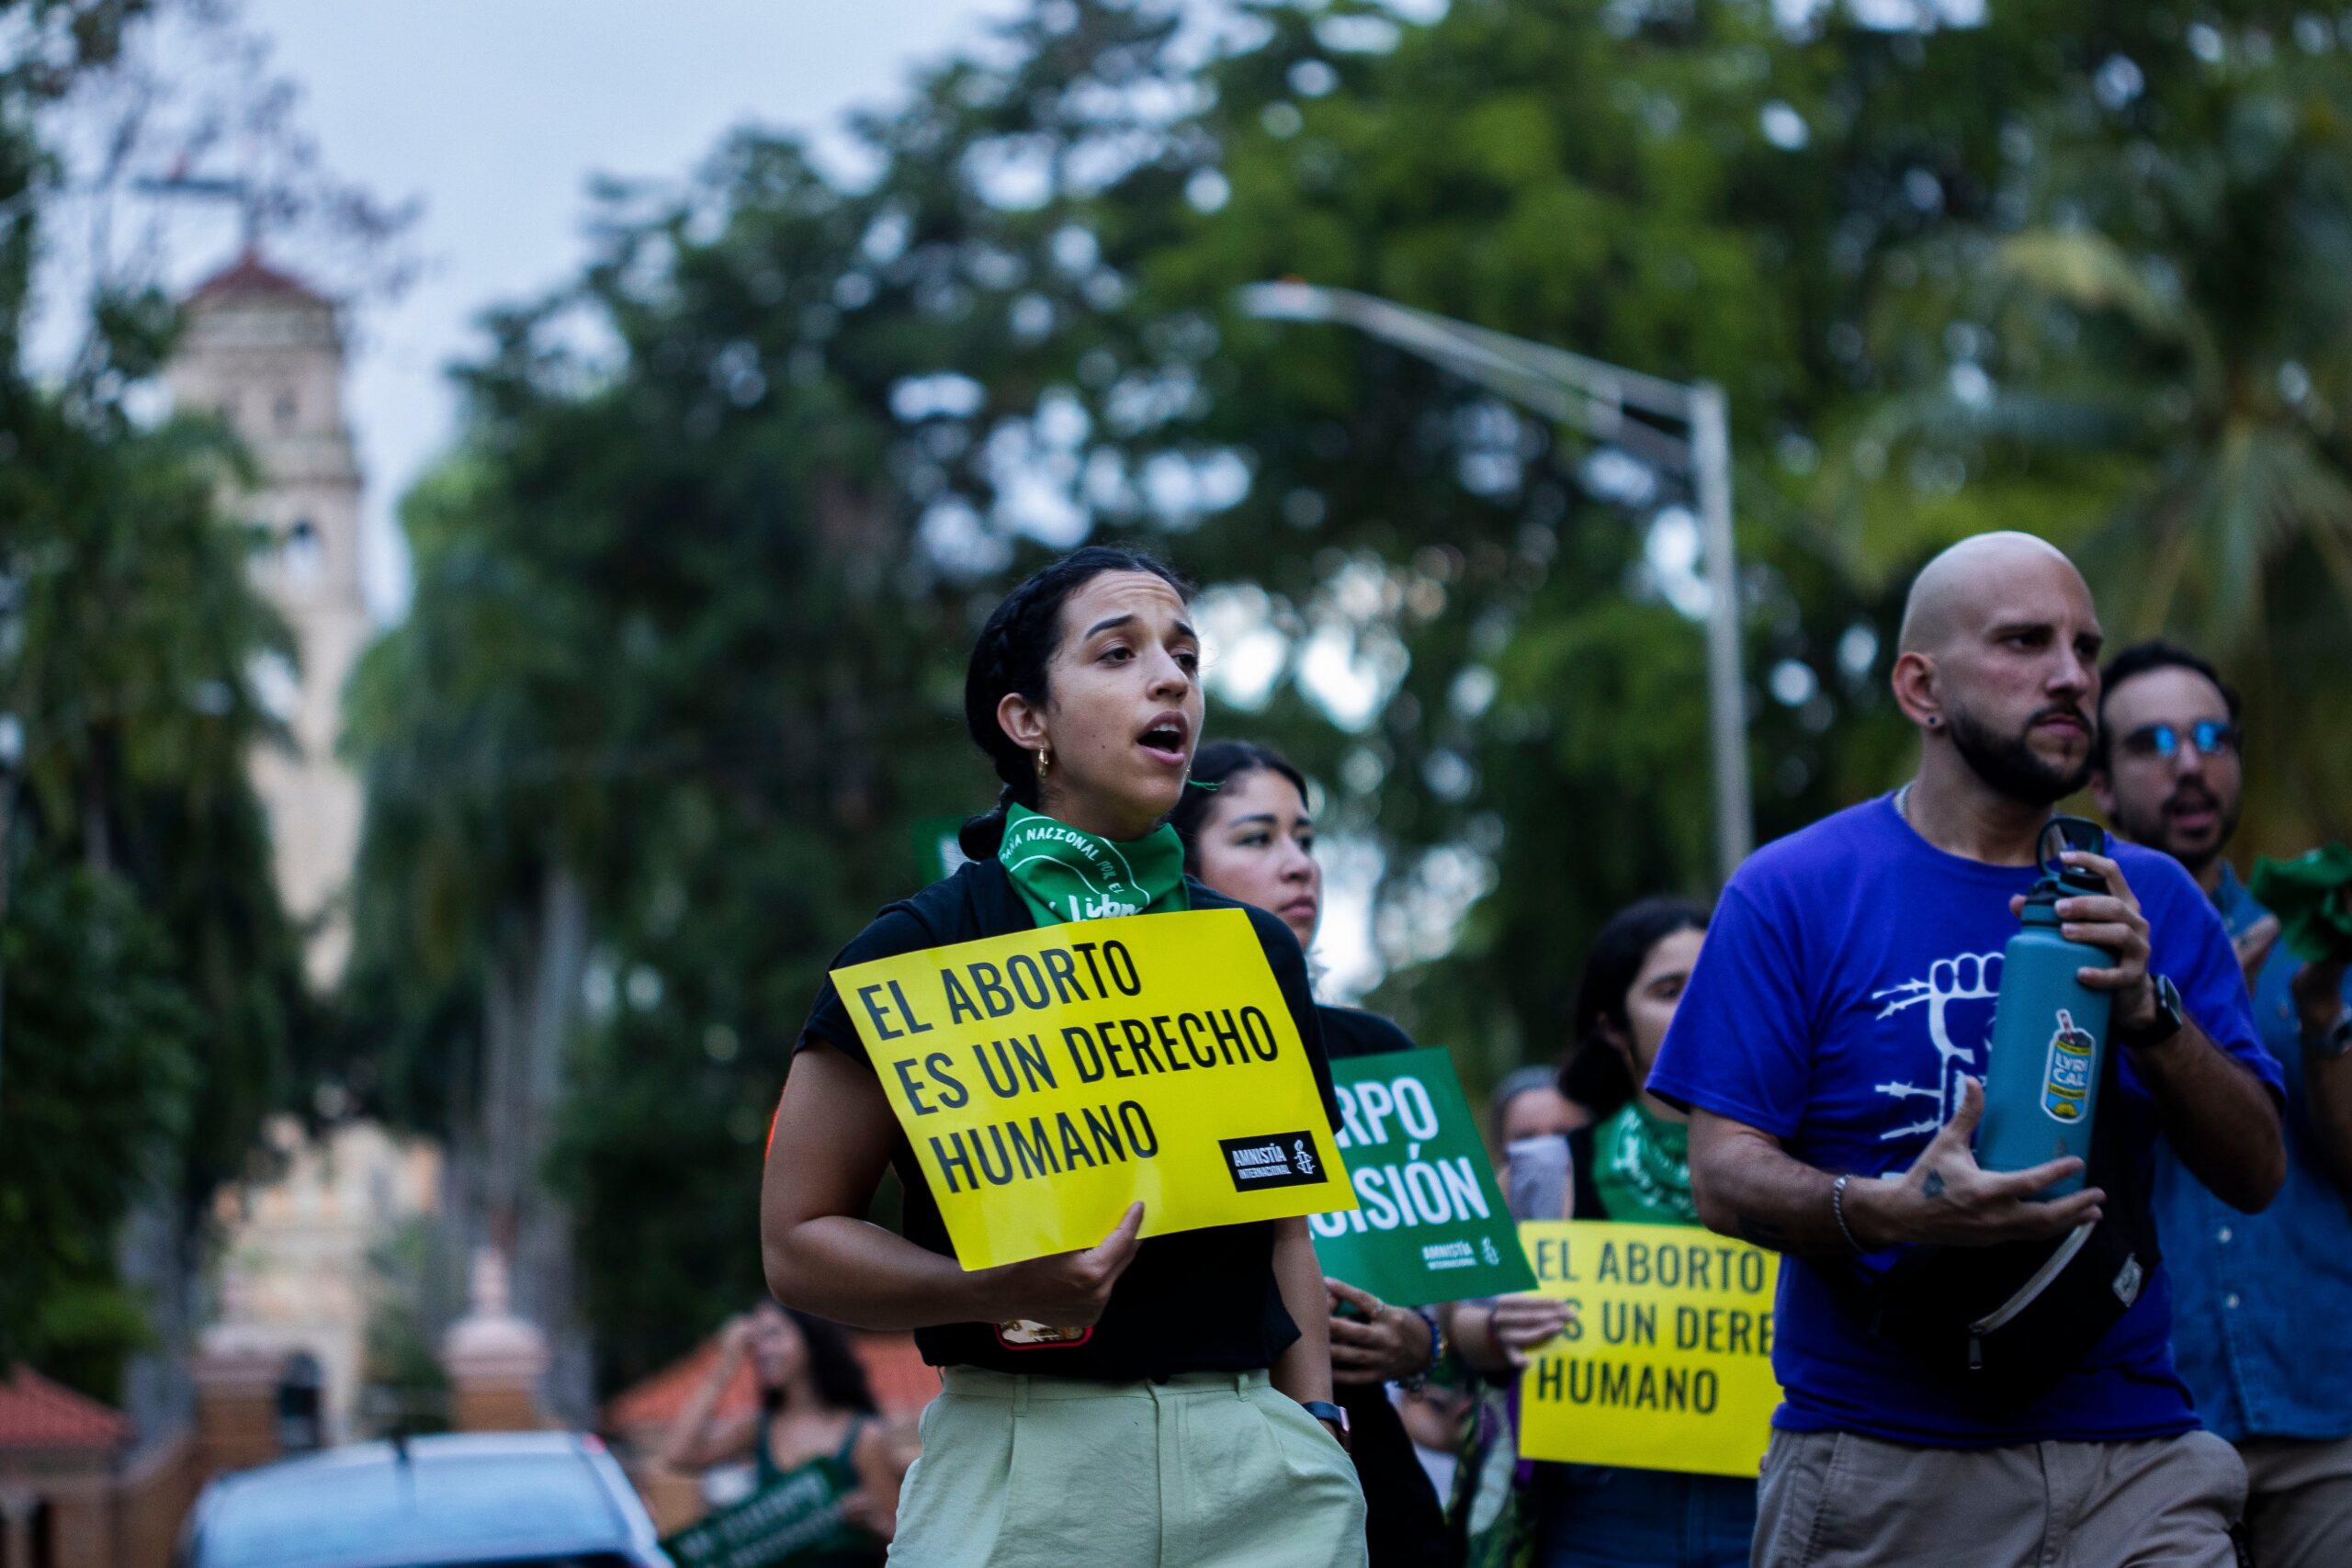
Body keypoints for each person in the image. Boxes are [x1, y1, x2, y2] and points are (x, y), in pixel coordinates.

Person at [1650, 532, 2287, 1567]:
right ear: (1920, 687)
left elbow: (2256, 1170)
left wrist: (2149, 1013)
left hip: (2135, 1458)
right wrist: (1890, 1211)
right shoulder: (1791, 890)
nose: (2071, 675)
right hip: (1881, 1464)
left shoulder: (2151, 895)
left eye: (2084, 647)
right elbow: (1722, 1180)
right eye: (2024, 642)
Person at [760, 547, 1364, 1568]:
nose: (1171, 678)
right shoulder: (920, 949)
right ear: (1025, 721)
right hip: (1025, 1474)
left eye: (1184, 656)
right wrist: (998, 1287)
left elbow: (1283, 1229)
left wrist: (1317, 1430)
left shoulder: (1252, 951)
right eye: (1117, 654)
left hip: (1264, 1477)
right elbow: (798, 1243)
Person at [2091, 638, 2352, 1568]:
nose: (2190, 763)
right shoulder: (2067, 958)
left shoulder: (2314, 944)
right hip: (2144, 1431)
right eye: (2151, 742)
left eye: (2211, 737)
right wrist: (2178, 1038)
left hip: (2326, 1413)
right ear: (2102, 789)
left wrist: (2320, 1022)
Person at [1170, 739, 1454, 1568]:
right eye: (1258, 839)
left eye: (1307, 838)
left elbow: (1458, 1288)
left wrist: (1421, 1342)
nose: (1299, 866)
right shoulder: (1132, 1053)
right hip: (1196, 1457)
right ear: (1178, 864)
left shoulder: (1376, 1047)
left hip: (1367, 1464)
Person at [1532, 896, 1755, 1567]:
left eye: (1715, 980)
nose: (1700, 1003)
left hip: (1768, 1495)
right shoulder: (1552, 1169)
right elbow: (1474, 1335)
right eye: (1668, 989)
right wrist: (1489, 1332)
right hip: (1603, 1511)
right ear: (1610, 1026)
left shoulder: (1806, 1159)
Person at [659, 1301, 903, 1561]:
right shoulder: (758, 1428)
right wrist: (725, 1364)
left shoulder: (864, 1436)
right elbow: (678, 1455)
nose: (763, 1350)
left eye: (774, 1334)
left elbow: (902, 1542)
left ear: (812, 1339)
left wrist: (871, 1521)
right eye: (757, 1340)